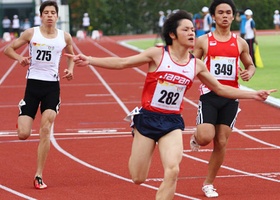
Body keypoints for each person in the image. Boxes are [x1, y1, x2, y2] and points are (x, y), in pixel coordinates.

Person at [65, 10, 275, 200]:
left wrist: (254, 94)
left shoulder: (196, 65)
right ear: (173, 35)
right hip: (147, 119)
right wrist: (90, 59)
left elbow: (220, 89)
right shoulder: (157, 54)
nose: (192, 33)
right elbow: (122, 63)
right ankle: (135, 128)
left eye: (193, 29)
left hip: (172, 122)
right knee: (138, 178)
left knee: (173, 171)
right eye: (186, 30)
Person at [4, 0, 74, 189]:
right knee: (23, 134)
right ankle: (22, 112)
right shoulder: (31, 33)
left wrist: (70, 69)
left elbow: (72, 56)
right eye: (46, 12)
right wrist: (20, 58)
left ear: (57, 16)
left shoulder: (64, 37)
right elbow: (7, 49)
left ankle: (39, 175)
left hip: (52, 87)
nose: (50, 15)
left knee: (45, 129)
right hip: (32, 87)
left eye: (53, 12)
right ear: (41, 15)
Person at [191, 0, 258, 198]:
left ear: (233, 16)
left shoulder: (240, 42)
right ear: (213, 16)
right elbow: (193, 64)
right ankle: (195, 137)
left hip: (231, 97)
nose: (225, 16)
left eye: (228, 12)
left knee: (221, 142)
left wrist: (249, 73)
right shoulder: (204, 40)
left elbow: (250, 65)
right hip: (210, 95)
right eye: (220, 12)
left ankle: (208, 183)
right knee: (205, 137)